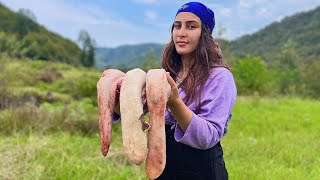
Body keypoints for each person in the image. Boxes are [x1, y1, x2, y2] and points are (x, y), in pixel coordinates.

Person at [157, 2, 237, 179]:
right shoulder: (171, 73)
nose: (181, 32)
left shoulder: (220, 77)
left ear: (205, 34)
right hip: (164, 167)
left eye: (191, 26)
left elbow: (208, 136)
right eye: (177, 26)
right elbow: (138, 109)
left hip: (202, 171)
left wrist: (175, 102)